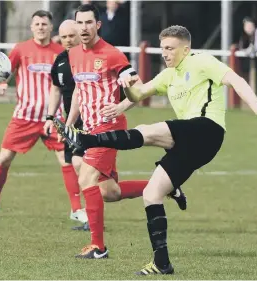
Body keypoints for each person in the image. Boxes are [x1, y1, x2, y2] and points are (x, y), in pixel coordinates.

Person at [56, 25, 257, 274]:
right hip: (188, 144)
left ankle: (86, 141)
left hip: (207, 129)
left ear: (186, 49)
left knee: (148, 130)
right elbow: (138, 93)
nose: (165, 53)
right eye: (162, 48)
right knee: (152, 194)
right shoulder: (168, 75)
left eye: (170, 48)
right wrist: (128, 85)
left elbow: (236, 80)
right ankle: (161, 263)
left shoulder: (202, 61)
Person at [53, 4, 186, 259]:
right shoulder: (73, 55)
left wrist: (122, 105)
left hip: (109, 128)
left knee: (85, 179)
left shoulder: (112, 54)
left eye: (89, 23)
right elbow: (80, 92)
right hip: (90, 129)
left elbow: (139, 88)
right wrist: (70, 124)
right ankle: (167, 187)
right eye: (79, 23)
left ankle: (98, 247)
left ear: (98, 25)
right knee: (109, 192)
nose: (83, 28)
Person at [0, 10, 88, 227]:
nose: (40, 27)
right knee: (4, 159)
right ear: (31, 27)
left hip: (54, 118)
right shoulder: (21, 49)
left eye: (44, 24)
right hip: (24, 116)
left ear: (50, 27)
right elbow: (5, 70)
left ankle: (76, 209)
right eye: (37, 23)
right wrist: (1, 83)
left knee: (65, 161)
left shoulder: (60, 51)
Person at [44, 20, 88, 230]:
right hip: (71, 122)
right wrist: (50, 117)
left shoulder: (89, 58)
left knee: (83, 166)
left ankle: (89, 215)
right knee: (76, 165)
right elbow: (56, 89)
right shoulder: (60, 60)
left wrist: (68, 124)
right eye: (64, 37)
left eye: (72, 36)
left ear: (80, 35)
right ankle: (89, 214)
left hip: (90, 121)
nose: (68, 40)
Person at [238, 17, 257, 107]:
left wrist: (249, 51)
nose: (248, 27)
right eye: (246, 25)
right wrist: (248, 51)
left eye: (250, 25)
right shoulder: (243, 35)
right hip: (248, 64)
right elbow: (241, 48)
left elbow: (256, 47)